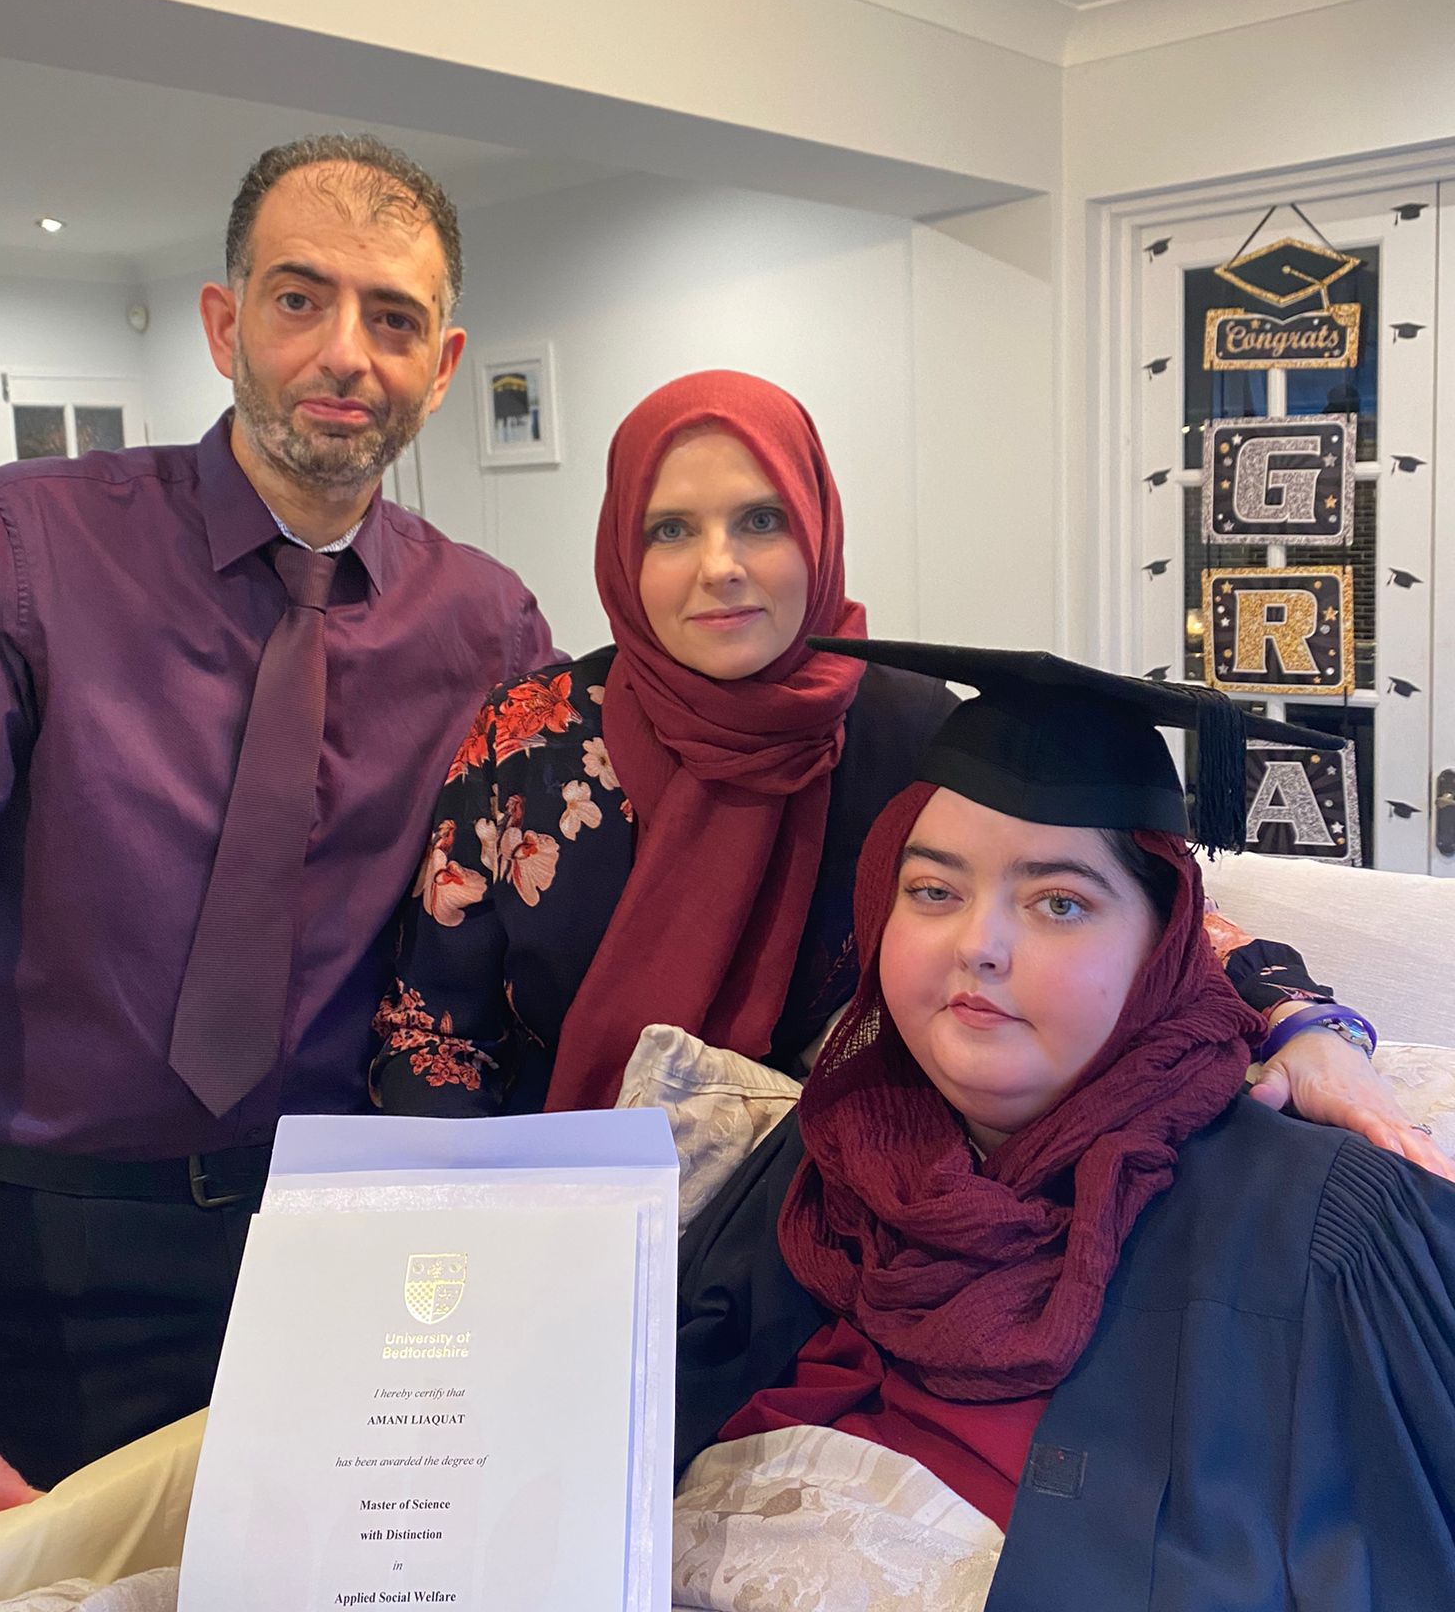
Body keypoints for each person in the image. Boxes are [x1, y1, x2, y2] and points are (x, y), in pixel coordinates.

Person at [0, 134, 556, 1532]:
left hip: (338, 1253)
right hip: (30, 1254)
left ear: (442, 367)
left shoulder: (490, 625)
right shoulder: (10, 551)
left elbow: (518, 944)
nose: (346, 354)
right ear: (224, 324)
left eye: (393, 319)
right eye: (298, 298)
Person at [677, 645, 1455, 1612]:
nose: (978, 945)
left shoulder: (1322, 1227)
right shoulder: (825, 1156)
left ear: (1165, 941)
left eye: (1058, 903)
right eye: (932, 888)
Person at [373, 371, 1416, 1140]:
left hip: (830, 1219)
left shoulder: (913, 731)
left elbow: (1134, 900)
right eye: (671, 529)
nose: (722, 566)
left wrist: (1303, 1020)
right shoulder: (529, 742)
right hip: (559, 1220)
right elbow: (436, 1034)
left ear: (818, 526)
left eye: (760, 519)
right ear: (621, 549)